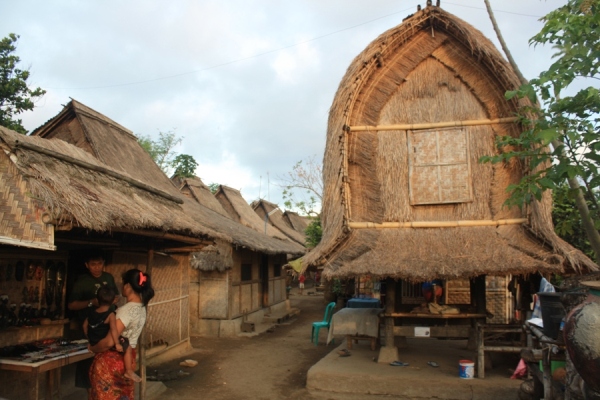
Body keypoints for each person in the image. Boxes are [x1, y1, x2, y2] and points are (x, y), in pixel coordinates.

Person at [89, 269, 155, 400]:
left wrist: (92, 348)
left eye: (123, 284)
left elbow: (109, 342)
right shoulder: (142, 308)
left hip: (112, 361)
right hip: (128, 361)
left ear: (128, 286)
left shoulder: (125, 311)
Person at [68, 251, 118, 398]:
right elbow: (71, 305)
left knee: (108, 360)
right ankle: (91, 394)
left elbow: (115, 295)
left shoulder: (108, 278)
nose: (97, 267)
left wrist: (113, 301)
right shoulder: (82, 282)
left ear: (103, 263)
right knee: (88, 362)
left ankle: (107, 392)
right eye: (93, 264)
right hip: (91, 328)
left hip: (108, 327)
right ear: (87, 265)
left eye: (99, 264)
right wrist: (91, 302)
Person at [83, 286, 138, 382]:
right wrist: (116, 343)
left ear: (97, 299)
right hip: (104, 340)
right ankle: (128, 371)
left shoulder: (91, 312)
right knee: (128, 347)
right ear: (113, 301)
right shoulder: (111, 314)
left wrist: (89, 338)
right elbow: (113, 330)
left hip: (94, 341)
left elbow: (84, 326)